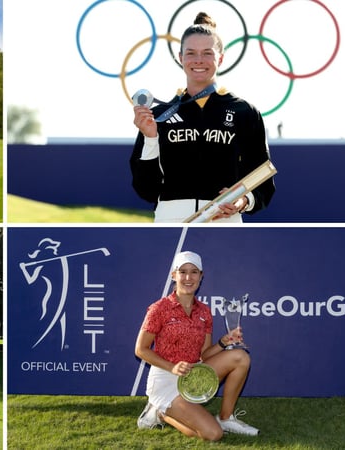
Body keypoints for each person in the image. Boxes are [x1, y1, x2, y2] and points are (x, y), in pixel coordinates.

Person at [130, 13, 275, 222]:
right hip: (171, 222)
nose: (199, 60)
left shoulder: (245, 112)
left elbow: (263, 179)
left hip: (224, 221)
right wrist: (151, 138)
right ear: (180, 58)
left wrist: (243, 200)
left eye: (207, 53)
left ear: (221, 58)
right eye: (191, 53)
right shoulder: (159, 116)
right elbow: (146, 189)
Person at [134, 251, 258, 441]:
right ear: (173, 275)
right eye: (182, 272)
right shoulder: (159, 309)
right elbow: (141, 349)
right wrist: (172, 367)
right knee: (212, 434)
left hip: (192, 375)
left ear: (201, 276)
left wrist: (224, 342)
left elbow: (205, 356)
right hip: (165, 380)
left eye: (194, 272)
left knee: (241, 357)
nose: (188, 277)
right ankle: (160, 412)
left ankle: (226, 417)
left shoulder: (204, 312)